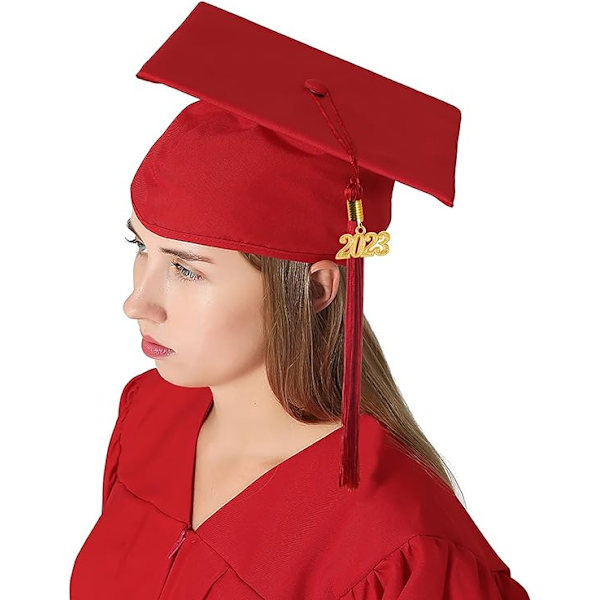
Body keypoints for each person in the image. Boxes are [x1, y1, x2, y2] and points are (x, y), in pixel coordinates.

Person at [70, 2, 530, 598]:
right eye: (141, 247)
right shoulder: (149, 414)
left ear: (314, 289)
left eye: (186, 268)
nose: (137, 302)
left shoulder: (399, 543)